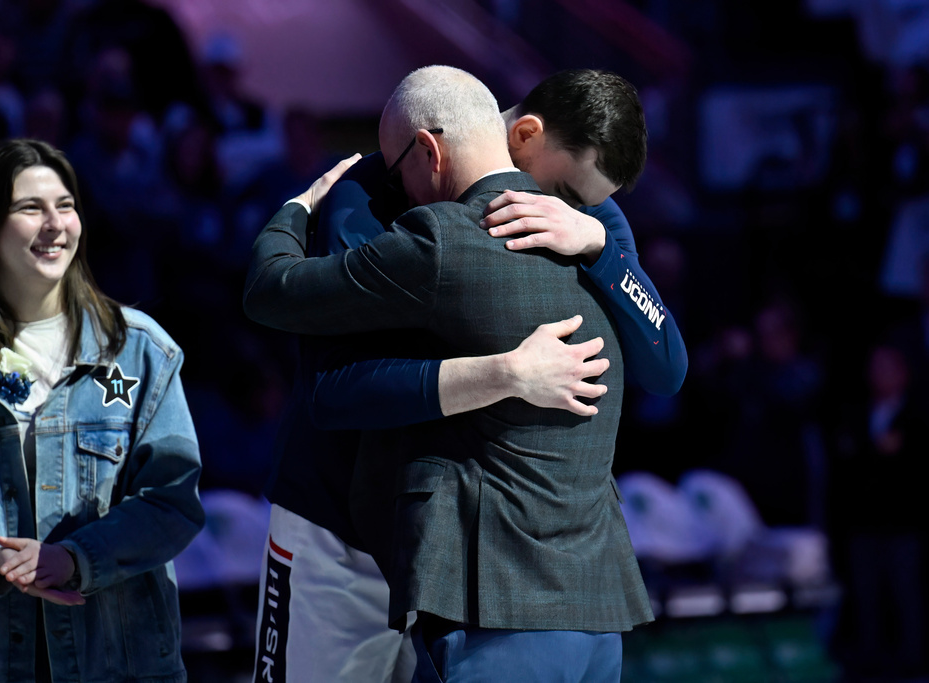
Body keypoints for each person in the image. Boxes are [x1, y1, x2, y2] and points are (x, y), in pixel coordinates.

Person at [247, 69, 683, 683]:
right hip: (342, 528)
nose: (566, 208)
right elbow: (333, 388)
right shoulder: (374, 190)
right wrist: (500, 374)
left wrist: (602, 250)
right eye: (566, 191)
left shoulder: (591, 217)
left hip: (456, 555)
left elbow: (665, 366)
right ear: (525, 135)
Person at [0, 138, 204, 682]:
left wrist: (76, 558)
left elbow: (172, 502)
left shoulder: (141, 350)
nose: (55, 223)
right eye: (31, 208)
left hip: (120, 663)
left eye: (66, 205)